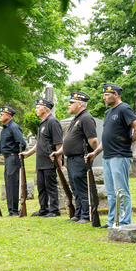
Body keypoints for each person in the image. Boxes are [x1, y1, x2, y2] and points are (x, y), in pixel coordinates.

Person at [86, 83, 136, 228]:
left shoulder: (124, 109)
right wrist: (95, 152)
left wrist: (129, 142)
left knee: (121, 191)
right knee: (111, 193)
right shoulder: (108, 113)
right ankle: (112, 221)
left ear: (115, 95)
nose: (104, 98)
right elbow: (107, 138)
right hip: (107, 157)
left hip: (120, 156)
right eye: (104, 95)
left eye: (107, 95)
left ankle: (124, 222)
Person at [50, 91, 98, 224]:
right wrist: (59, 152)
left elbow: (93, 140)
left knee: (82, 187)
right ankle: (78, 212)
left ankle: (87, 214)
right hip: (71, 159)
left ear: (80, 104)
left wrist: (92, 154)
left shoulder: (86, 118)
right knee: (75, 187)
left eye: (72, 103)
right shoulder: (76, 118)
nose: (68, 105)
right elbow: (69, 141)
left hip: (80, 159)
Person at [21, 98, 63, 218]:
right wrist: (28, 154)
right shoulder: (42, 123)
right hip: (41, 162)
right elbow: (39, 143)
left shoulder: (53, 122)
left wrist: (59, 160)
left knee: (50, 186)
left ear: (45, 108)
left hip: (50, 161)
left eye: (37, 107)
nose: (35, 110)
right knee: (41, 187)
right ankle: (43, 209)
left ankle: (54, 210)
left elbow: (59, 143)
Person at [0, 105, 27, 217]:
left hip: (13, 158)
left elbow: (22, 143)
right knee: (8, 184)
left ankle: (14, 211)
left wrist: (17, 153)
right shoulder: (5, 129)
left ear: (9, 116)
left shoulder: (13, 127)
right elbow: (0, 147)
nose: (0, 116)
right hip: (7, 158)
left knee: (13, 184)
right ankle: (11, 210)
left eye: (2, 114)